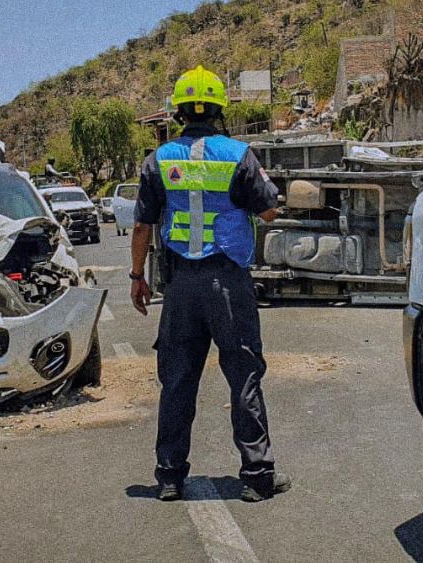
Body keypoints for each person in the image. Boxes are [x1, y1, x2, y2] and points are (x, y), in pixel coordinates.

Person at [129, 65, 290, 503]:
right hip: (228, 283)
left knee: (178, 380)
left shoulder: (157, 160)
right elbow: (269, 212)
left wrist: (136, 277)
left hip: (180, 286)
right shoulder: (238, 154)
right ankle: (257, 477)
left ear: (178, 111)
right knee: (244, 377)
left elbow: (143, 226)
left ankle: (168, 477)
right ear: (219, 109)